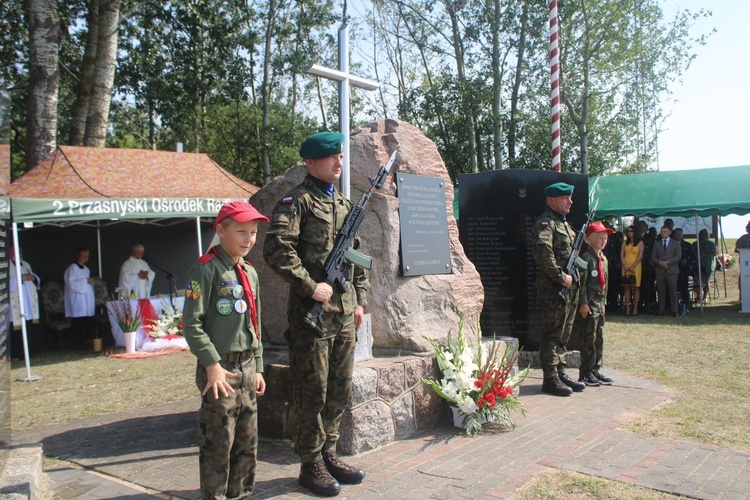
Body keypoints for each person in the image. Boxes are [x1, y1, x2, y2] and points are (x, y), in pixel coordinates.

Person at [264, 131, 369, 497]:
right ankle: (310, 465)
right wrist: (310, 286)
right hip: (313, 316)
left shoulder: (342, 203)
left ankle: (329, 452)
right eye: (331, 158)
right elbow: (277, 250)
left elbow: (357, 260)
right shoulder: (298, 201)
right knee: (313, 391)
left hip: (343, 314)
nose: (339, 163)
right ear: (310, 163)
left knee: (339, 388)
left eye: (340, 157)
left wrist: (359, 301)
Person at [182, 201, 268, 499]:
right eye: (241, 231)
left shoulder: (249, 272)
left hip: (246, 369)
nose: (249, 239)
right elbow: (191, 324)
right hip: (220, 371)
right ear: (220, 230)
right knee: (218, 444)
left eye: (254, 232)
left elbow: (254, 323)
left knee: (247, 444)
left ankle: (241, 494)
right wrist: (211, 365)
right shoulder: (205, 269)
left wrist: (257, 366)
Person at [531, 181, 586, 397]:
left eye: (570, 198)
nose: (570, 201)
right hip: (554, 289)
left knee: (564, 334)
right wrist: (561, 277)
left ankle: (561, 372)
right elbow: (544, 254)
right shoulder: (546, 223)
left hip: (569, 289)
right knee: (552, 334)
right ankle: (550, 378)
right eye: (566, 198)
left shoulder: (564, 224)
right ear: (551, 200)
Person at [575, 222, 615, 386]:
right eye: (600, 238)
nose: (603, 241)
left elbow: (605, 283)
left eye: (605, 238)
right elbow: (581, 284)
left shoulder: (603, 259)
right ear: (590, 239)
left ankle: (595, 370)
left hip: (599, 303)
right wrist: (583, 303)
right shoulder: (586, 258)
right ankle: (585, 372)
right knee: (588, 338)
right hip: (589, 303)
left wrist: (604, 302)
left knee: (599, 337)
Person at [9, 246, 42, 359]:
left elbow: (34, 276)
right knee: (17, 326)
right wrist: (21, 277)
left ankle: (31, 350)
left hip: (27, 299)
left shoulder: (25, 264)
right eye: (14, 250)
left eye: (19, 250)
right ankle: (17, 353)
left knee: (28, 324)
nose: (17, 252)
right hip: (15, 299)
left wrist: (33, 277)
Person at [64, 246, 96, 350]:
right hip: (77, 299)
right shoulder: (72, 268)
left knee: (84, 322)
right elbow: (70, 283)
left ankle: (83, 342)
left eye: (87, 256)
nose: (85, 257)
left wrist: (89, 281)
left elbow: (87, 282)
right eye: (83, 255)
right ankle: (76, 343)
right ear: (78, 255)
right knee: (77, 322)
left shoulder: (86, 269)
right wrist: (86, 281)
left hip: (86, 300)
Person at [650, 226, 681, 317]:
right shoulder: (657, 244)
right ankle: (661, 309)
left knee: (673, 291)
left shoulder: (675, 243)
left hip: (672, 270)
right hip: (660, 271)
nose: (663, 233)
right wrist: (660, 263)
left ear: (669, 232)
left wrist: (668, 262)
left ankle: (674, 310)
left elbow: (678, 256)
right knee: (661, 291)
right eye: (662, 231)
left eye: (665, 231)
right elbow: (653, 257)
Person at [620, 225, 644, 316]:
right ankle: (627, 309)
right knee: (627, 287)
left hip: (636, 266)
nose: (629, 232)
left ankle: (635, 308)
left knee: (636, 287)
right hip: (626, 266)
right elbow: (621, 255)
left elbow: (640, 256)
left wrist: (633, 266)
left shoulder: (640, 243)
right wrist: (624, 265)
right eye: (628, 231)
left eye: (631, 231)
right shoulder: (625, 242)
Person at [672, 228, 695, 313]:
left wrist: (690, 266)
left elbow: (693, 258)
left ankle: (685, 304)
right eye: (677, 234)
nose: (679, 235)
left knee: (684, 288)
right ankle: (674, 305)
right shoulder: (670, 244)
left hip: (684, 269)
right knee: (673, 288)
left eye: (680, 234)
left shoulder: (687, 245)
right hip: (673, 269)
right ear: (674, 235)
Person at [692, 228, 717, 303]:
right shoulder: (695, 244)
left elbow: (715, 254)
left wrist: (705, 254)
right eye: (701, 235)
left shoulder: (711, 244)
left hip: (707, 264)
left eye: (705, 235)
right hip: (697, 265)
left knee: (705, 281)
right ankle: (698, 296)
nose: (703, 236)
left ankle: (705, 296)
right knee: (696, 281)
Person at [636, 220, 656, 312]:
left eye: (643, 226)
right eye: (639, 226)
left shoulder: (650, 237)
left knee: (648, 285)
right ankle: (638, 304)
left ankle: (648, 304)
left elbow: (653, 250)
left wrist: (652, 260)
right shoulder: (635, 237)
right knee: (638, 285)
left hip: (647, 265)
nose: (641, 227)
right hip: (637, 264)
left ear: (646, 228)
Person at [734, 221, 750, 300]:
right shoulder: (743, 238)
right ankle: (742, 295)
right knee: (744, 277)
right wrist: (744, 251)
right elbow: (736, 250)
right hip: (745, 262)